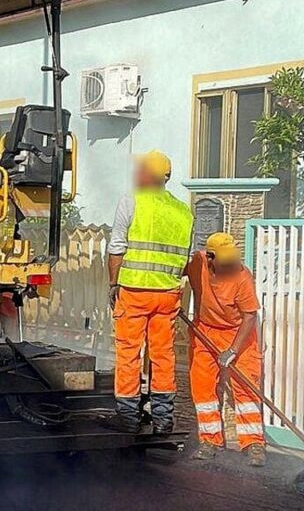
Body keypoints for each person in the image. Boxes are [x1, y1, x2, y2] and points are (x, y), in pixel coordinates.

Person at [106, 151, 193, 434]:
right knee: (163, 355)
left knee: (129, 353)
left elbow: (117, 247)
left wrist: (112, 284)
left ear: (146, 174)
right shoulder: (183, 212)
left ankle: (129, 418)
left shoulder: (130, 202)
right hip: (167, 293)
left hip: (133, 290)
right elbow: (184, 259)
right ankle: (164, 419)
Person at [185, 232, 266, 466]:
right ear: (209, 257)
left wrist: (232, 350)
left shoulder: (241, 276)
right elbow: (173, 272)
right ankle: (210, 441)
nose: (230, 264)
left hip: (239, 332)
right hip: (205, 331)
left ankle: (254, 444)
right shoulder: (197, 263)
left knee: (247, 387)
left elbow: (250, 315)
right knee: (202, 387)